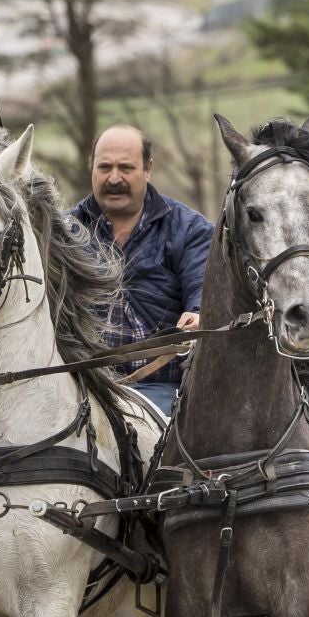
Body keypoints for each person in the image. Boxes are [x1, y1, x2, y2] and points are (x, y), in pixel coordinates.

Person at [69, 124, 211, 415]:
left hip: (165, 389)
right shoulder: (61, 232)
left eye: (126, 168)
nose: (114, 178)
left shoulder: (191, 229)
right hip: (80, 387)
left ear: (148, 169)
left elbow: (204, 285)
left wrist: (199, 312)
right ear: (92, 169)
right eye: (104, 167)